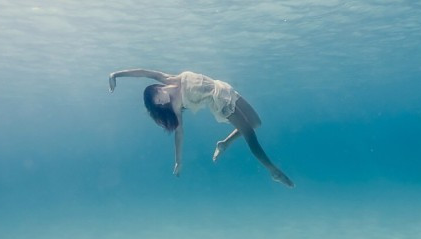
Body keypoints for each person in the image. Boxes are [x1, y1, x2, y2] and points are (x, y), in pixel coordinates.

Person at [108, 69, 294, 187]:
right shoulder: (175, 106)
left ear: (157, 88)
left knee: (255, 122)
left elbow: (142, 72)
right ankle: (273, 170)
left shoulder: (169, 78)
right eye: (158, 104)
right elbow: (179, 134)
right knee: (250, 134)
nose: (161, 100)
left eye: (157, 97)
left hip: (223, 88)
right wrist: (178, 161)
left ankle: (224, 144)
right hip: (219, 102)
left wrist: (115, 75)